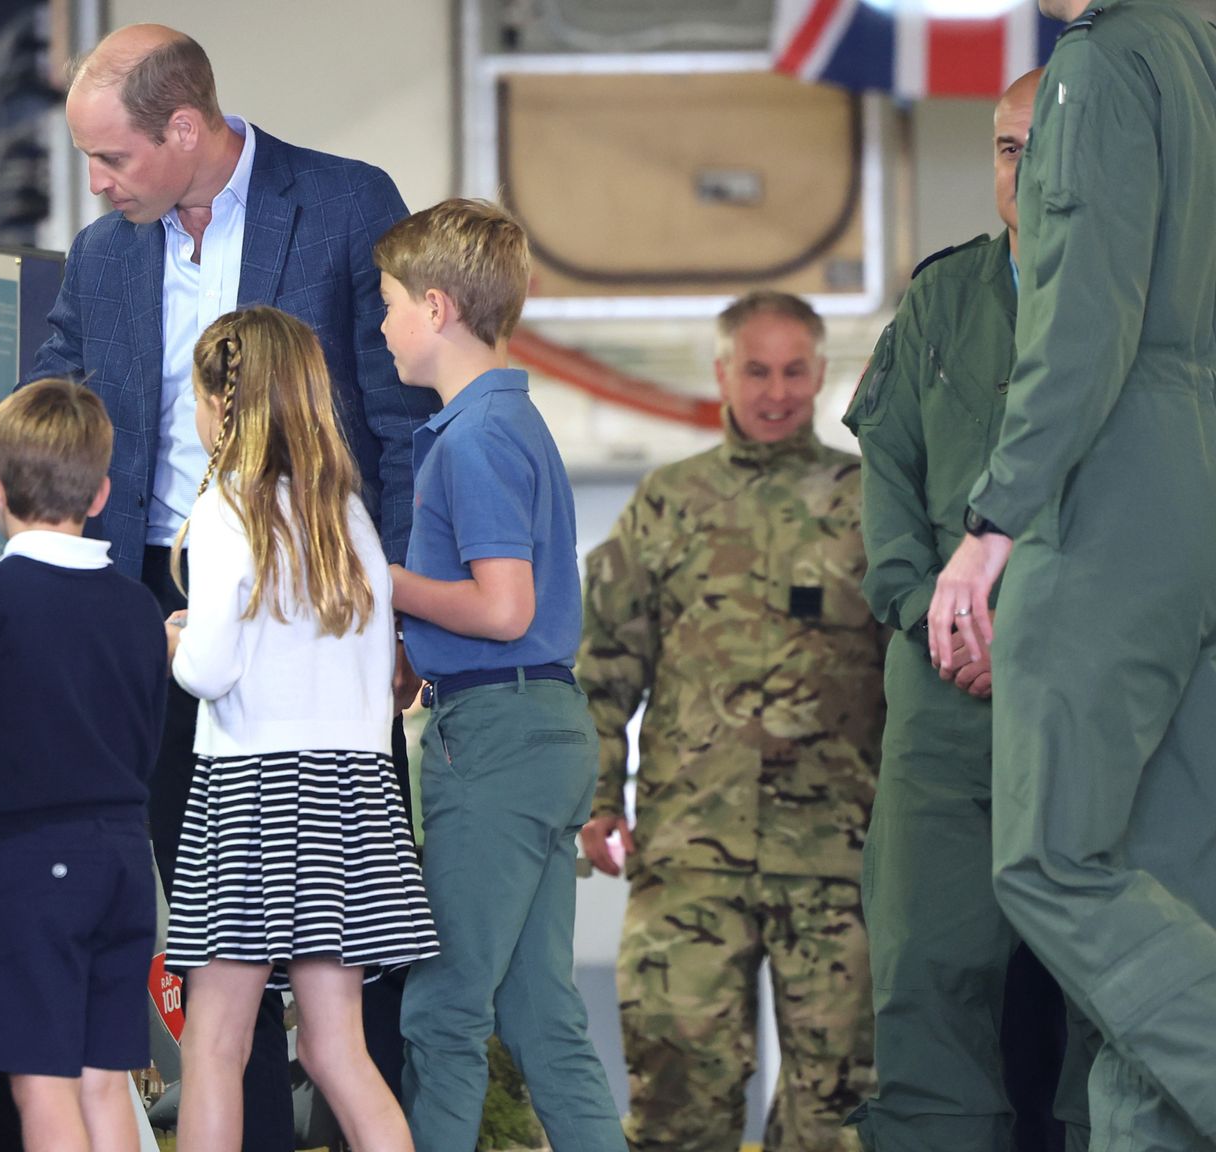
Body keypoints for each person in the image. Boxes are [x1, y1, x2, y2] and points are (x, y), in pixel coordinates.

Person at [0, 25, 432, 1147]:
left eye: (110, 160)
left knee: (343, 985)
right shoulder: (110, 255)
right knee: (217, 961)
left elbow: (400, 430)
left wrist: (398, 618)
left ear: (187, 129)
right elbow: (29, 426)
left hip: (318, 623)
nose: (96, 186)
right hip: (154, 612)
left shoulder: (347, 204)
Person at [927, 1, 1216, 1143]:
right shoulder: (1197, 54)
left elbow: (1083, 318)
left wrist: (991, 520)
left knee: (1050, 861)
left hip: (1107, 492)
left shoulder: (1093, 66)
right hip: (1191, 493)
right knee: (1165, 887)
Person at [843, 68, 1097, 1152]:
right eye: (1003, 149)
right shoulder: (938, 301)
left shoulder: (1143, 300)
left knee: (1107, 983)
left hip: (1097, 691)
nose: (1021, 172)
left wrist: (1039, 641)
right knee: (925, 970)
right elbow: (886, 487)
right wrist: (924, 615)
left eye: (1041, 148)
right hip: (942, 697)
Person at [578, 290, 883, 1151]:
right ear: (722, 374)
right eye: (757, 369)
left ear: (822, 374)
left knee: (842, 1109)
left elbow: (917, 679)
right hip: (689, 858)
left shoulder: (872, 504)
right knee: (679, 1100)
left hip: (840, 857)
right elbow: (605, 664)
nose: (777, 390)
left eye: (794, 371)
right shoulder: (669, 502)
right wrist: (599, 796)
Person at [380, 199, 623, 1152]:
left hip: (497, 733)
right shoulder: (500, 425)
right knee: (540, 1017)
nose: (384, 324)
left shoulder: (473, 439)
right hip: (537, 727)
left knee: (443, 1012)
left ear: (437, 307)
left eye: (391, 303)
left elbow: (504, 608)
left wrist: (383, 578)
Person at [166, 306, 436, 1152]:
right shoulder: (350, 519)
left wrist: (173, 639)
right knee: (337, 1048)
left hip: (251, 792)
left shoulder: (226, 511)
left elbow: (209, 671)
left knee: (216, 1044)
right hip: (350, 795)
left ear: (222, 403)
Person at [0, 378, 169, 1152]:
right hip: (127, 860)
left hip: (37, 860)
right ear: (100, 494)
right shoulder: (138, 608)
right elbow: (148, 737)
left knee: (43, 1087)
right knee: (105, 1081)